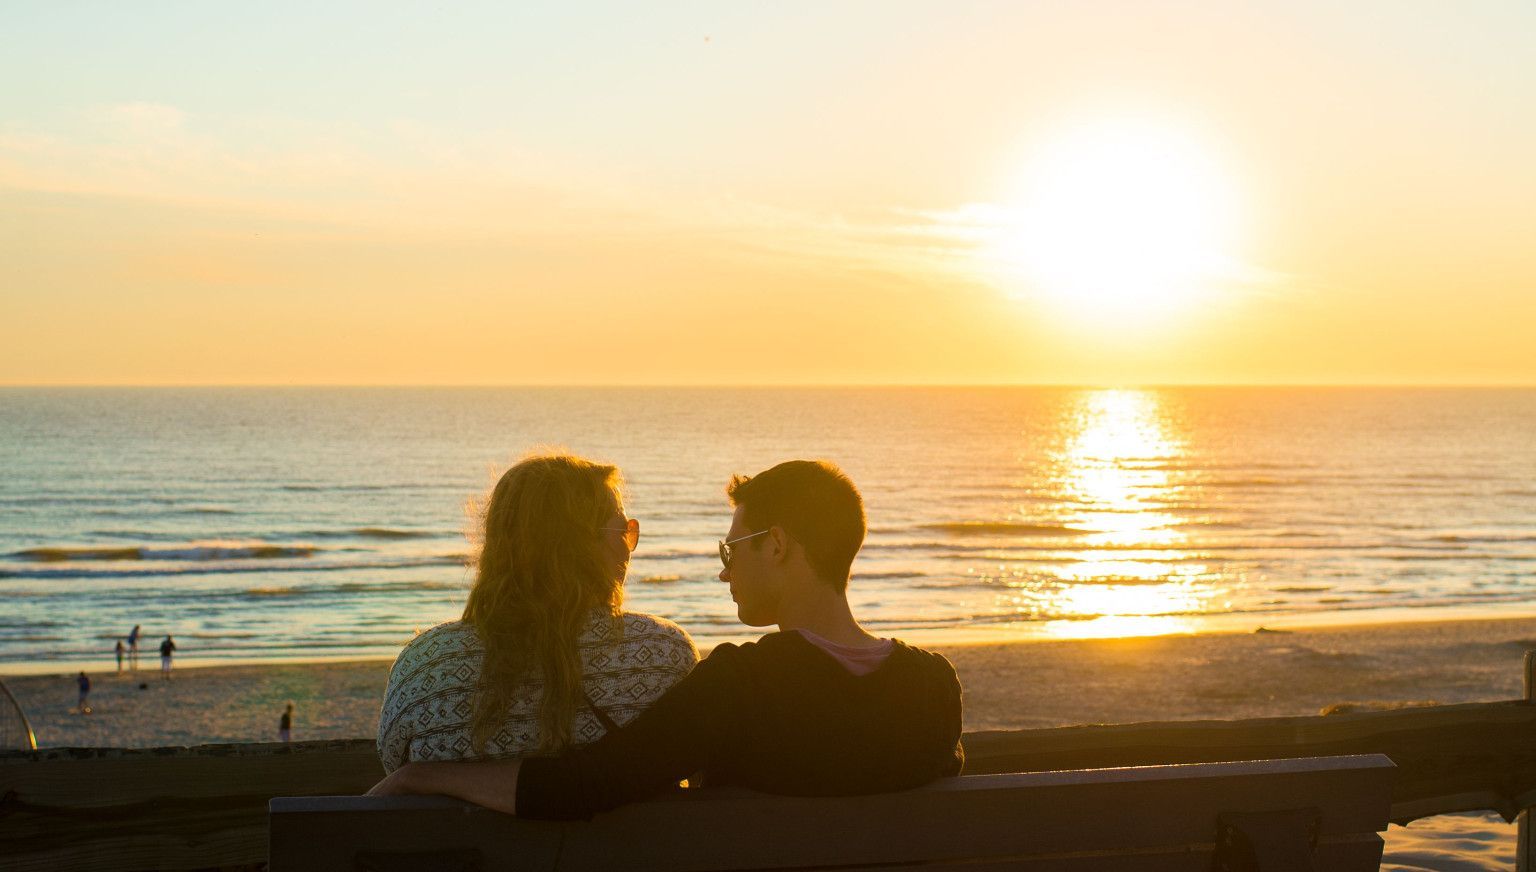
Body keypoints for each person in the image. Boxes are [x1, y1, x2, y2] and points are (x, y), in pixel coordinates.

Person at [370, 459, 964, 819]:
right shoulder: (934, 687)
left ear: (777, 546)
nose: (724, 570)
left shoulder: (739, 685)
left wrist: (421, 776)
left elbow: (584, 786)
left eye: (731, 549)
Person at [374, 453, 698, 774]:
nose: (629, 546)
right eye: (623, 531)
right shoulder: (666, 654)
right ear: (586, 545)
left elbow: (393, 764)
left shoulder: (426, 664)